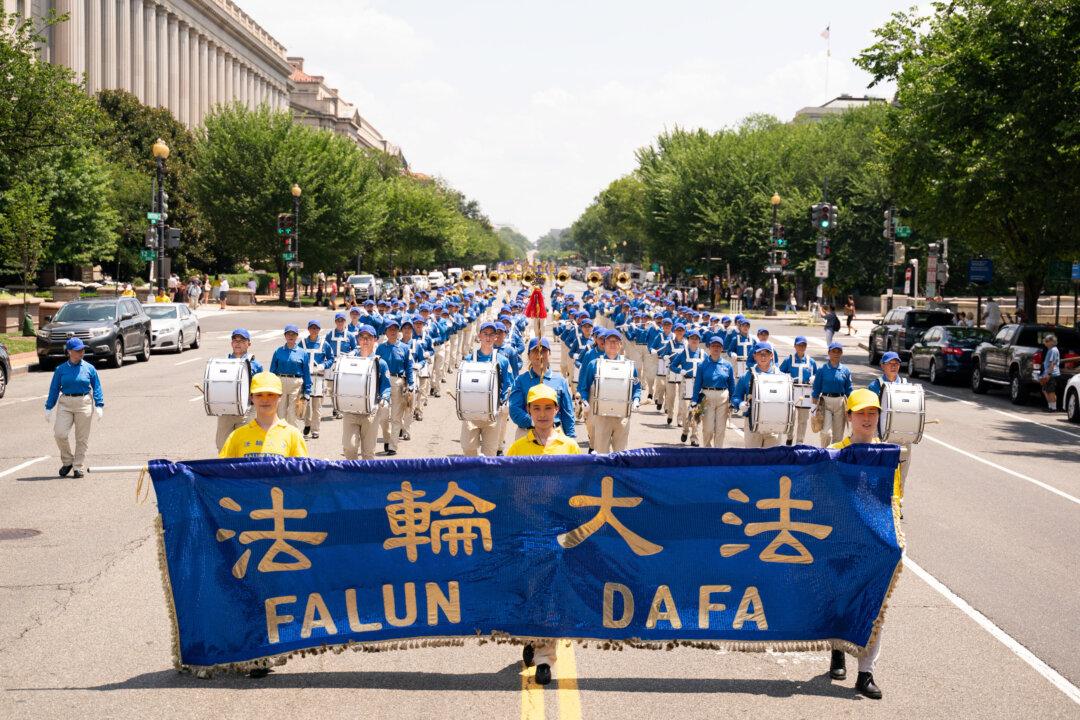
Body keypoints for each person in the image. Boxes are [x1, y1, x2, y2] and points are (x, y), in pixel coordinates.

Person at [506, 383, 582, 687]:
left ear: (557, 411)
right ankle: (532, 638)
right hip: (527, 531)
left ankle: (545, 657)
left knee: (550, 590)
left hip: (557, 533)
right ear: (528, 412)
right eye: (536, 408)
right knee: (528, 589)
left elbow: (579, 491)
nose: (542, 414)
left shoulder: (570, 447)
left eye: (548, 408)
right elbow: (505, 489)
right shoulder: (517, 448)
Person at [826, 388, 896, 700]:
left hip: (873, 545)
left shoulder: (885, 456)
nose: (867, 419)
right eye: (861, 413)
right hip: (841, 542)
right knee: (841, 603)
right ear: (850, 417)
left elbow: (892, 501)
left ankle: (866, 673)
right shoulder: (834, 452)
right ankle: (837, 651)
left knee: (875, 607)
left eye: (872, 413)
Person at [44, 338, 104, 478]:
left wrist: (99, 404)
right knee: (60, 434)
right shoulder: (61, 369)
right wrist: (49, 407)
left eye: (82, 349)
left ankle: (78, 466)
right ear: (69, 351)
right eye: (77, 350)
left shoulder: (89, 368)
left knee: (81, 438)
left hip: (84, 402)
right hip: (65, 402)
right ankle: (67, 461)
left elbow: (97, 387)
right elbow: (54, 389)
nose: (81, 352)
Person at [219, 372, 308, 460]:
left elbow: (302, 471)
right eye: (259, 395)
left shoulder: (293, 436)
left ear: (280, 397)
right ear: (252, 398)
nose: (265, 400)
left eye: (270, 394)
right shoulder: (236, 436)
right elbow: (223, 471)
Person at [578, 330, 641, 453]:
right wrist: (584, 400)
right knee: (601, 454)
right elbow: (584, 387)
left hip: (622, 416)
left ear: (620, 345)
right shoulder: (594, 364)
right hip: (602, 416)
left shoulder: (629, 366)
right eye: (609, 341)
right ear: (604, 344)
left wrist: (636, 399)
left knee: (620, 454)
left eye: (615, 341)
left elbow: (637, 387)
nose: (612, 344)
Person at [458, 322, 513, 457]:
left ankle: (486, 478)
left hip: (493, 414)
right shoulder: (470, 359)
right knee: (468, 449)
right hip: (472, 412)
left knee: (490, 453)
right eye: (485, 334)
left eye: (492, 334)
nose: (488, 338)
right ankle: (472, 477)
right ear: (479, 336)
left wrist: (502, 402)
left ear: (496, 337)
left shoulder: (502, 360)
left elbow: (507, 384)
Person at [508, 337, 575, 443]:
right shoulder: (520, 380)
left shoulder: (560, 381)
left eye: (543, 350)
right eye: (535, 350)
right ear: (529, 355)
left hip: (554, 433)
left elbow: (568, 412)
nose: (539, 354)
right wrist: (534, 422)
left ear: (549, 354)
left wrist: (571, 437)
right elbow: (514, 409)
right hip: (527, 432)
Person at [868, 351, 913, 508]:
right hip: (881, 434)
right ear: (882, 366)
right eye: (890, 363)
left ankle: (897, 501)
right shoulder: (875, 385)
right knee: (881, 469)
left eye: (897, 363)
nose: (894, 366)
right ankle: (879, 500)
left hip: (902, 434)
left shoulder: (906, 385)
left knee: (902, 470)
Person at [341, 325, 391, 460]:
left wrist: (385, 398)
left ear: (375, 340)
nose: (365, 340)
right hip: (351, 410)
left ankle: (365, 480)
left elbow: (386, 386)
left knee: (368, 453)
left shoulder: (380, 363)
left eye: (369, 337)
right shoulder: (349, 360)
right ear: (358, 340)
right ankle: (353, 476)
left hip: (371, 413)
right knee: (349, 447)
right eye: (362, 337)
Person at [214, 329, 264, 451]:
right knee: (223, 446)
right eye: (235, 340)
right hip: (226, 411)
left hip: (247, 411)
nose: (238, 343)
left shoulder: (255, 364)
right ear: (231, 343)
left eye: (242, 340)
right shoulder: (223, 362)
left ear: (249, 344)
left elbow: (260, 389)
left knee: (246, 446)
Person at [730, 342, 785, 448]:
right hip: (752, 424)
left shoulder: (780, 376)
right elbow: (735, 397)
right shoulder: (746, 376)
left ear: (771, 356)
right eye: (760, 353)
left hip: (774, 423)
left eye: (766, 353)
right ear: (754, 356)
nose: (763, 356)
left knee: (772, 459)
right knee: (753, 459)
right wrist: (740, 403)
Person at [375, 320, 414, 455]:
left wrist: (411, 384)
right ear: (385, 332)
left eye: (395, 329)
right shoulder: (380, 348)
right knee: (383, 414)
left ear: (398, 332)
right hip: (383, 382)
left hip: (398, 381)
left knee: (396, 416)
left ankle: (393, 446)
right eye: (390, 329)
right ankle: (387, 439)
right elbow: (375, 366)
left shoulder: (404, 348)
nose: (392, 332)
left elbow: (409, 367)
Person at [690, 335, 735, 448]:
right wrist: (694, 400)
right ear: (709, 348)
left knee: (720, 429)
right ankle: (707, 451)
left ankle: (718, 453)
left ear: (722, 348)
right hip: (707, 397)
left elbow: (732, 384)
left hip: (723, 398)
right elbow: (697, 384)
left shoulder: (728, 365)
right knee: (708, 429)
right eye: (713, 346)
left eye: (718, 346)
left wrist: (733, 401)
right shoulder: (702, 365)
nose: (716, 348)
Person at [268, 324, 312, 431]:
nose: (291, 336)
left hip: (296, 383)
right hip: (280, 382)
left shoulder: (302, 353)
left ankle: (293, 438)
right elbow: (272, 371)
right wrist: (270, 387)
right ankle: (280, 435)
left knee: (293, 414)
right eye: (288, 334)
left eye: (293, 334)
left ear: (297, 336)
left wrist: (307, 390)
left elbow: (306, 372)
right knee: (280, 412)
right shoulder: (278, 351)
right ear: (285, 336)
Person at [812, 342, 853, 447]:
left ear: (842, 353)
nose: (836, 353)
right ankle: (824, 452)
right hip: (825, 401)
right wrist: (814, 406)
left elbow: (849, 390)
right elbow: (816, 387)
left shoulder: (845, 370)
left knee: (838, 436)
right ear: (829, 353)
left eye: (838, 351)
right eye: (833, 351)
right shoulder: (822, 369)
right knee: (826, 432)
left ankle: (835, 457)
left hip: (840, 402)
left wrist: (852, 408)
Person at [299, 320, 334, 439]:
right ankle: (307, 424)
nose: (314, 330)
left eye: (316, 328)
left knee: (317, 406)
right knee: (306, 403)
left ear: (319, 330)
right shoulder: (302, 343)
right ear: (308, 329)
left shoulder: (325, 343)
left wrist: (323, 365)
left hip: (319, 377)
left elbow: (331, 358)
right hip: (306, 377)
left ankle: (315, 429)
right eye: (312, 328)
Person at [780, 336, 817, 446]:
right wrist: (787, 378)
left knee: (803, 419)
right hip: (792, 391)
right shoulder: (788, 360)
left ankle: (800, 441)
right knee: (791, 417)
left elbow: (817, 375)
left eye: (803, 345)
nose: (801, 347)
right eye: (799, 345)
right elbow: (780, 373)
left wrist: (814, 378)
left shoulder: (811, 361)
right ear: (795, 346)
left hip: (806, 392)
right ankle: (790, 437)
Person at [1038, 333, 1061, 412]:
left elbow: (1052, 363)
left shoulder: (1053, 350)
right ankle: (1050, 406)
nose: (1045, 342)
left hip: (1052, 373)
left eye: (1046, 341)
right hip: (1048, 373)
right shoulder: (1051, 350)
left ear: (1051, 342)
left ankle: (1053, 408)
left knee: (1051, 391)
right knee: (1045, 390)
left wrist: (1048, 374)